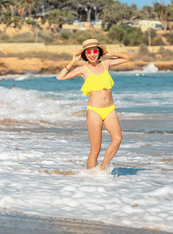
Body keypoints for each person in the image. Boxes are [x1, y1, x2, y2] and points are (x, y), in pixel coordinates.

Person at [56, 39, 132, 170]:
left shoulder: (106, 63)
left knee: (117, 139)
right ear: (85, 54)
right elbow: (60, 77)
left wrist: (111, 53)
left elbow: (128, 57)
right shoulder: (82, 69)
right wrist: (72, 62)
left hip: (110, 109)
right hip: (94, 111)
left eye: (95, 51)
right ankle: (91, 177)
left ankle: (102, 169)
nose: (92, 54)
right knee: (95, 149)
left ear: (99, 52)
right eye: (89, 51)